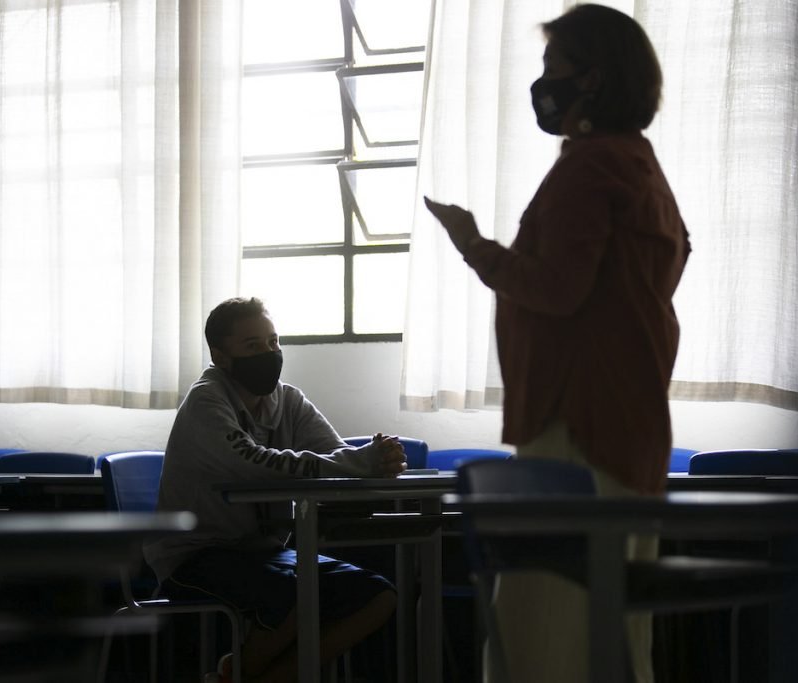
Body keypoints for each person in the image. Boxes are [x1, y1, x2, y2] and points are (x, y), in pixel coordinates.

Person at [424, 4, 690, 682]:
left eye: (553, 67)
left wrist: (473, 245)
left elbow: (556, 289)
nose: (543, 83)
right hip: (629, 420)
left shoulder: (589, 167)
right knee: (616, 631)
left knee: (541, 627)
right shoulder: (640, 165)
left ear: (592, 79)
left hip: (577, 419)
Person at [143, 297, 406, 683]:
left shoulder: (290, 400)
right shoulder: (206, 401)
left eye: (273, 342)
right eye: (252, 346)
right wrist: (358, 461)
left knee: (377, 597)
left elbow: (337, 457)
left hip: (265, 553)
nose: (268, 353)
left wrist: (377, 461)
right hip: (194, 555)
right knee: (300, 593)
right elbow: (252, 462)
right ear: (221, 356)